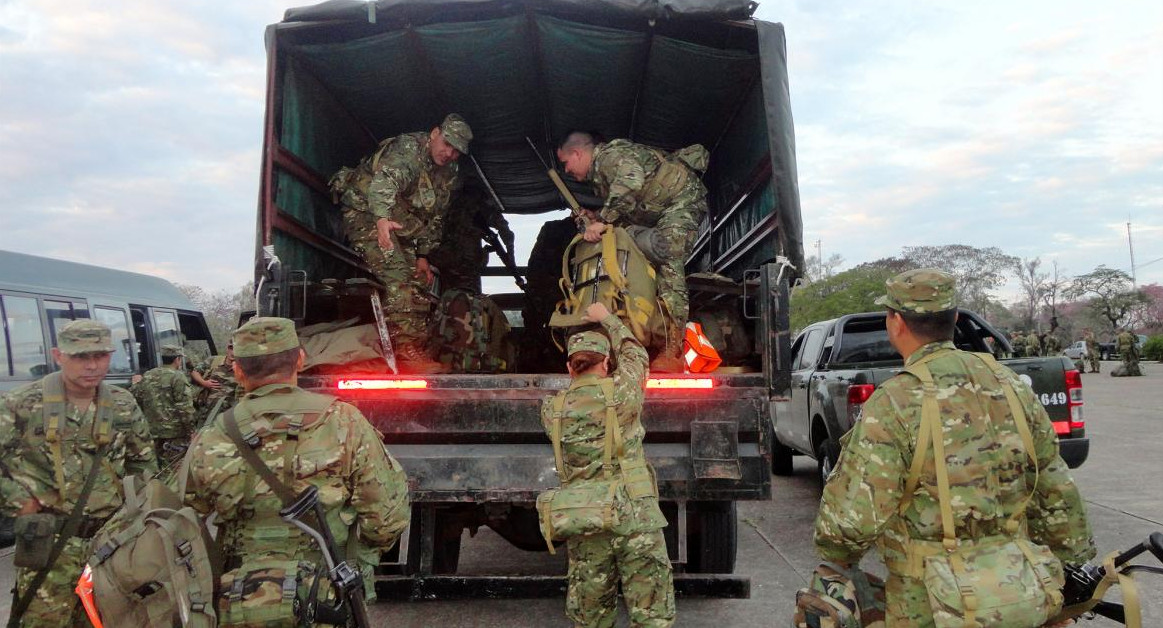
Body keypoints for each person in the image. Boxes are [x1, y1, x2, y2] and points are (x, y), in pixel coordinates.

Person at [813, 269, 1094, 626]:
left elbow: (852, 522)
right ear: (956, 320)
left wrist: (835, 557)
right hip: (1020, 590)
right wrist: (1071, 566)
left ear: (896, 322)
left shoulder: (895, 401)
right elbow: (1055, 489)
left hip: (931, 602)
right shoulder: (1012, 386)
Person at [184, 317, 410, 624]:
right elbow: (386, 516)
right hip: (326, 589)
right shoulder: (344, 421)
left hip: (240, 597)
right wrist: (358, 560)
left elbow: (185, 518)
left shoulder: (215, 433)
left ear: (237, 370)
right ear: (300, 360)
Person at [0, 320, 158, 627]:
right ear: (59, 355)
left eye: (101, 356)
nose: (93, 365)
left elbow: (144, 464)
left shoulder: (123, 404)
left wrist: (137, 516)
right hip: (49, 543)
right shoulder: (23, 404)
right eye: (81, 357)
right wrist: (18, 501)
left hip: (110, 544)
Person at [541, 303, 675, 627]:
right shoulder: (622, 393)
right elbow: (637, 355)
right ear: (607, 362)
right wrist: (608, 320)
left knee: (592, 616)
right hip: (635, 518)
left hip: (587, 520)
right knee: (651, 614)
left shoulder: (551, 409)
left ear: (570, 368)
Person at [330, 114, 473, 373]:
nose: (449, 153)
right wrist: (382, 219)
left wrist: (422, 255)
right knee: (398, 276)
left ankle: (416, 344)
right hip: (366, 214)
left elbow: (434, 215)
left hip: (397, 222)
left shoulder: (449, 172)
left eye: (456, 151)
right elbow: (384, 183)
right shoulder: (408, 150)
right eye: (447, 144)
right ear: (434, 133)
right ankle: (405, 350)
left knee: (418, 279)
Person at [556, 131, 709, 372]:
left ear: (577, 153)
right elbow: (629, 204)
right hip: (657, 213)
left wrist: (603, 219)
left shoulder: (609, 156)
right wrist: (596, 218)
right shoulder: (601, 174)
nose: (566, 170)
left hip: (681, 201)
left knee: (668, 257)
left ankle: (672, 349)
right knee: (626, 243)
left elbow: (632, 180)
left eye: (565, 162)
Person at [428, 186, 515, 293]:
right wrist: (510, 256)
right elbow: (505, 230)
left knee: (447, 296)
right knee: (469, 298)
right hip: (467, 262)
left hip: (446, 257)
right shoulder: (481, 206)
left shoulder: (449, 202)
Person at [130, 344, 197, 464]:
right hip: (175, 435)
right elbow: (185, 408)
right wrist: (191, 431)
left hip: (153, 432)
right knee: (175, 468)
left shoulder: (149, 375)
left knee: (156, 467)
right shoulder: (178, 377)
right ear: (177, 359)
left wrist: (135, 384)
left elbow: (136, 398)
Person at [192, 341, 241, 423]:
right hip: (206, 411)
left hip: (229, 415)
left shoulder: (244, 367)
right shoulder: (214, 360)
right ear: (227, 348)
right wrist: (204, 383)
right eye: (231, 348)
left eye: (236, 349)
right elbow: (195, 372)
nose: (233, 352)